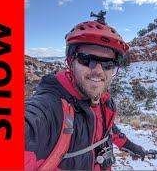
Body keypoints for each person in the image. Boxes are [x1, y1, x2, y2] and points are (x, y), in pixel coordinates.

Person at [24, 15, 146, 170]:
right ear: (70, 62)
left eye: (108, 64)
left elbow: (107, 128)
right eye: (87, 59)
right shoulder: (50, 109)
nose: (98, 71)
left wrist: (128, 144)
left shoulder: (103, 103)